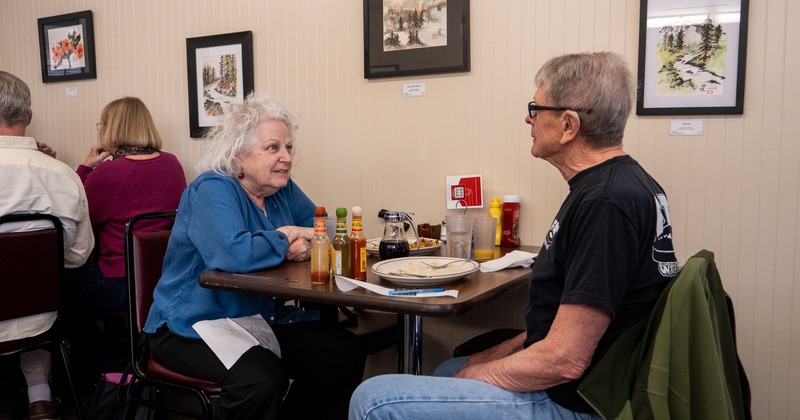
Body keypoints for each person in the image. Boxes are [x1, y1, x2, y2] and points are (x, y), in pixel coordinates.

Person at [349, 52, 681, 419]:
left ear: (569, 125)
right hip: (594, 379)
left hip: (579, 402)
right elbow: (565, 325)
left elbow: (565, 360)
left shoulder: (605, 203)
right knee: (450, 367)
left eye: (536, 108)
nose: (529, 117)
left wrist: (479, 374)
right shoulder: (626, 184)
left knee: (373, 398)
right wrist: (490, 357)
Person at [144, 93, 367, 419]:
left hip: (259, 319)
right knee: (260, 381)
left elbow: (328, 230)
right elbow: (233, 255)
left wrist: (305, 239)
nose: (286, 158)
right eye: (273, 147)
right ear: (238, 157)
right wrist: (287, 235)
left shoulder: (281, 189)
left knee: (344, 353)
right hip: (191, 325)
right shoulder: (212, 189)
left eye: (289, 147)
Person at [0, 70, 94, 420]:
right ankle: (39, 395)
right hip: (43, 318)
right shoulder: (62, 174)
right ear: (28, 116)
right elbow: (78, 255)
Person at [74, 97, 186, 314]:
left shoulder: (108, 173)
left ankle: (101, 349)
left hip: (120, 282)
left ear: (112, 128)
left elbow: (77, 214)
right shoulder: (172, 163)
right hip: (165, 278)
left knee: (60, 288)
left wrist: (86, 166)